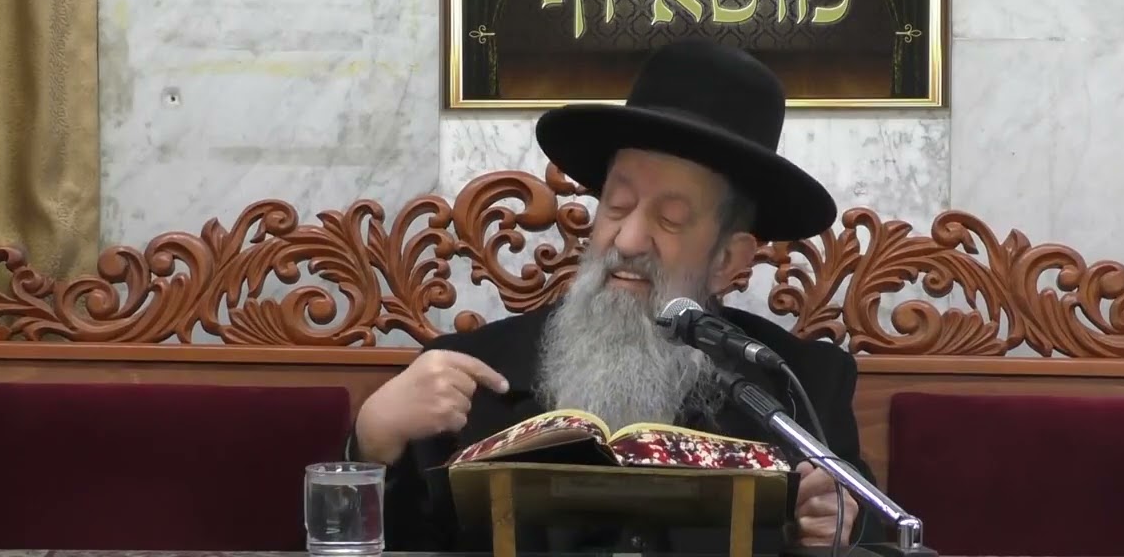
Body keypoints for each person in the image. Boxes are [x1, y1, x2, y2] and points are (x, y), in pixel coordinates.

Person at [348, 39, 884, 553]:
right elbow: (377, 541)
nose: (627, 241)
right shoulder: (467, 378)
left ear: (728, 260)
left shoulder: (800, 388)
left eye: (670, 220)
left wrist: (838, 530)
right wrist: (371, 446)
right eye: (617, 206)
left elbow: (877, 532)